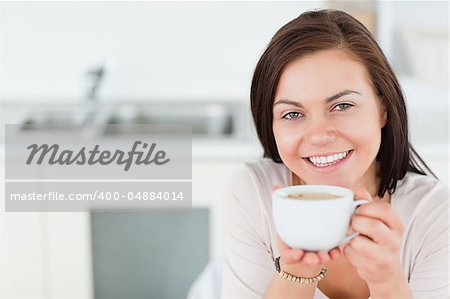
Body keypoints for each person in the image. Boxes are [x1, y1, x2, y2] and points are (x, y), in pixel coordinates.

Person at [221, 9, 448, 299]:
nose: (319, 135)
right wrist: (297, 272)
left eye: (342, 106)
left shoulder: (435, 215)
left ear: (383, 109)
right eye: (292, 113)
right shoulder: (252, 193)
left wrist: (387, 283)